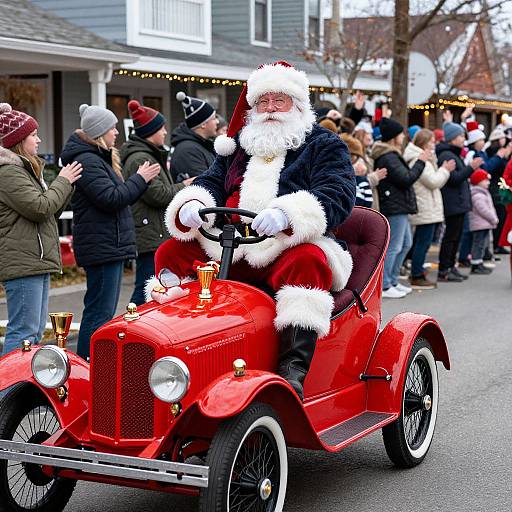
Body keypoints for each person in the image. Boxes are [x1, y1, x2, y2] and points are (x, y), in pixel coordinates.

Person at [147, 62, 356, 400]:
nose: (270, 109)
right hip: (229, 244)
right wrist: (192, 201)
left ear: (298, 104)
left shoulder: (324, 145)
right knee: (171, 252)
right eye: (263, 102)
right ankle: (174, 350)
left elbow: (338, 194)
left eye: (279, 101)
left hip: (286, 246)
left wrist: (287, 215)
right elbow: (211, 182)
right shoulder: (241, 145)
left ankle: (292, 371)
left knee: (308, 260)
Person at [60, 104, 160, 360]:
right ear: (99, 133)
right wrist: (140, 178)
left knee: (101, 311)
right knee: (98, 313)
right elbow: (111, 198)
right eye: (112, 128)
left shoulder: (96, 158)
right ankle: (86, 366)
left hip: (108, 246)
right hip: (102, 248)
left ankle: (91, 364)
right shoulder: (87, 161)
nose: (116, 132)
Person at [0, 102, 81, 355]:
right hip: (23, 261)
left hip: (35, 259)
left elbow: (49, 212)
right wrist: (63, 181)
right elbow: (39, 207)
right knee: (23, 332)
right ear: (18, 141)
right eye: (33, 135)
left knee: (34, 332)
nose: (39, 140)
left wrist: (66, 187)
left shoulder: (24, 170)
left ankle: (21, 388)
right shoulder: (8, 173)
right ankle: (7, 390)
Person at [120, 100, 185, 305]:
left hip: (153, 231)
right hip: (150, 233)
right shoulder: (141, 158)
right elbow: (157, 194)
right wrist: (183, 186)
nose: (165, 132)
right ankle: (133, 327)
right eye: (161, 128)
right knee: (146, 288)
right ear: (151, 131)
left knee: (152, 286)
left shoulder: (147, 154)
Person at [370, 118, 426, 299]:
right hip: (394, 206)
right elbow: (405, 178)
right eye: (401, 134)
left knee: (405, 244)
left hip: (398, 205)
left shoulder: (391, 153)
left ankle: (392, 280)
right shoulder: (388, 156)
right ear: (394, 137)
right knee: (395, 246)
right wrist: (420, 162)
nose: (403, 137)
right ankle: (385, 285)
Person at [404, 129, 455, 289]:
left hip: (427, 205)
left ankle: (416, 270)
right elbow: (433, 181)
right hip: (424, 206)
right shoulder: (418, 159)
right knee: (422, 242)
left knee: (421, 241)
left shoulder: (424, 158)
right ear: (424, 143)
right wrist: (445, 170)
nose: (434, 144)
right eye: (432, 141)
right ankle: (416, 274)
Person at [436, 122, 483, 282]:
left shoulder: (454, 154)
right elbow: (454, 179)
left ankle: (451, 266)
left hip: (459, 203)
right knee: (451, 237)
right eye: (460, 136)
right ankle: (444, 269)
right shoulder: (447, 155)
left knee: (456, 237)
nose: (464, 139)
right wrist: (470, 168)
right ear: (451, 139)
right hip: (452, 203)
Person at [170, 92, 218, 183]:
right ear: (203, 124)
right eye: (214, 118)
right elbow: (204, 184)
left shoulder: (202, 145)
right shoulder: (188, 150)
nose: (217, 121)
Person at [468, 169, 498, 275]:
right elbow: (484, 210)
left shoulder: (483, 193)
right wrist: (493, 219)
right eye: (485, 180)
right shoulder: (478, 195)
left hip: (483, 224)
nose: (488, 182)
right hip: (480, 224)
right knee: (478, 244)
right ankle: (475, 264)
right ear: (478, 181)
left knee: (482, 244)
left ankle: (479, 262)